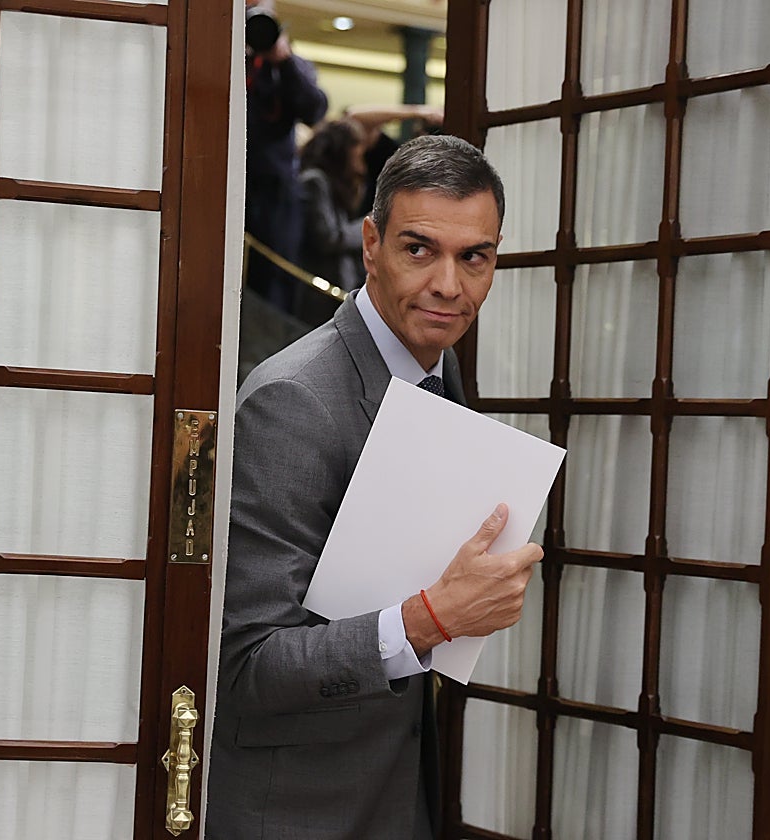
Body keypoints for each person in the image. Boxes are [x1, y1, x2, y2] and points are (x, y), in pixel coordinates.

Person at [206, 135, 542, 840]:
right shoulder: (292, 401)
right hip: (299, 813)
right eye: (419, 249)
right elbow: (247, 664)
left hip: (392, 796)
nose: (449, 284)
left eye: (473, 257)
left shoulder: (437, 373)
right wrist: (433, 618)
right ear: (370, 244)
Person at [244, 2, 329, 314]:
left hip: (275, 190)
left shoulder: (287, 67)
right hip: (225, 184)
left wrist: (284, 60)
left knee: (277, 277)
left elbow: (315, 110)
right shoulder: (226, 57)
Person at [297, 117, 370, 297]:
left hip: (339, 286)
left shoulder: (338, 185)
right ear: (343, 150)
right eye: (357, 148)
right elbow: (329, 237)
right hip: (318, 292)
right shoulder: (315, 181)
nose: (361, 155)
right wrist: (369, 225)